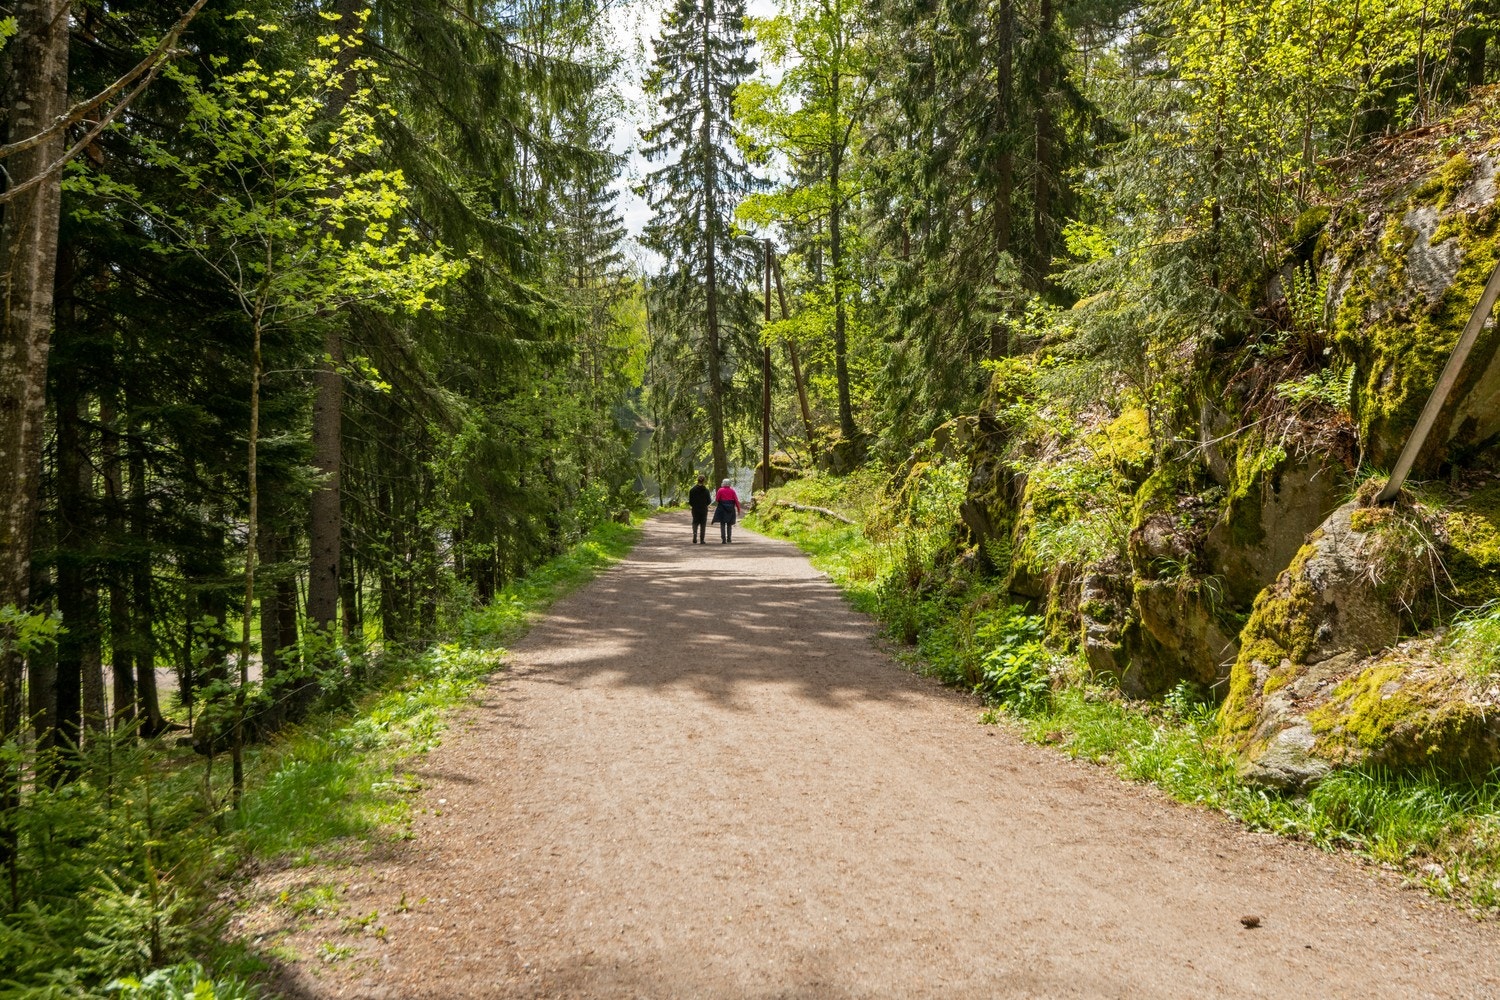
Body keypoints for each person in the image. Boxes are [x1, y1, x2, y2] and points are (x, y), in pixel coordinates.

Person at [712, 478, 742, 544]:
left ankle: (723, 539)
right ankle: (729, 539)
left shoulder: (720, 490)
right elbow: (736, 500)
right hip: (731, 509)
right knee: (729, 524)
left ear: (723, 483)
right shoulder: (732, 491)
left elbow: (717, 499)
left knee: (722, 524)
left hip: (722, 509)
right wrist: (738, 509)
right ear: (729, 484)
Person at [687, 475, 712, 544]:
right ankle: (702, 539)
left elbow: (690, 501)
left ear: (697, 480)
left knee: (695, 522)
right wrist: (705, 504)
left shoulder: (692, 490)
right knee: (703, 524)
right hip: (703, 509)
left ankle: (695, 533)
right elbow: (709, 501)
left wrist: (694, 505)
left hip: (695, 509)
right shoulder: (706, 491)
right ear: (704, 481)